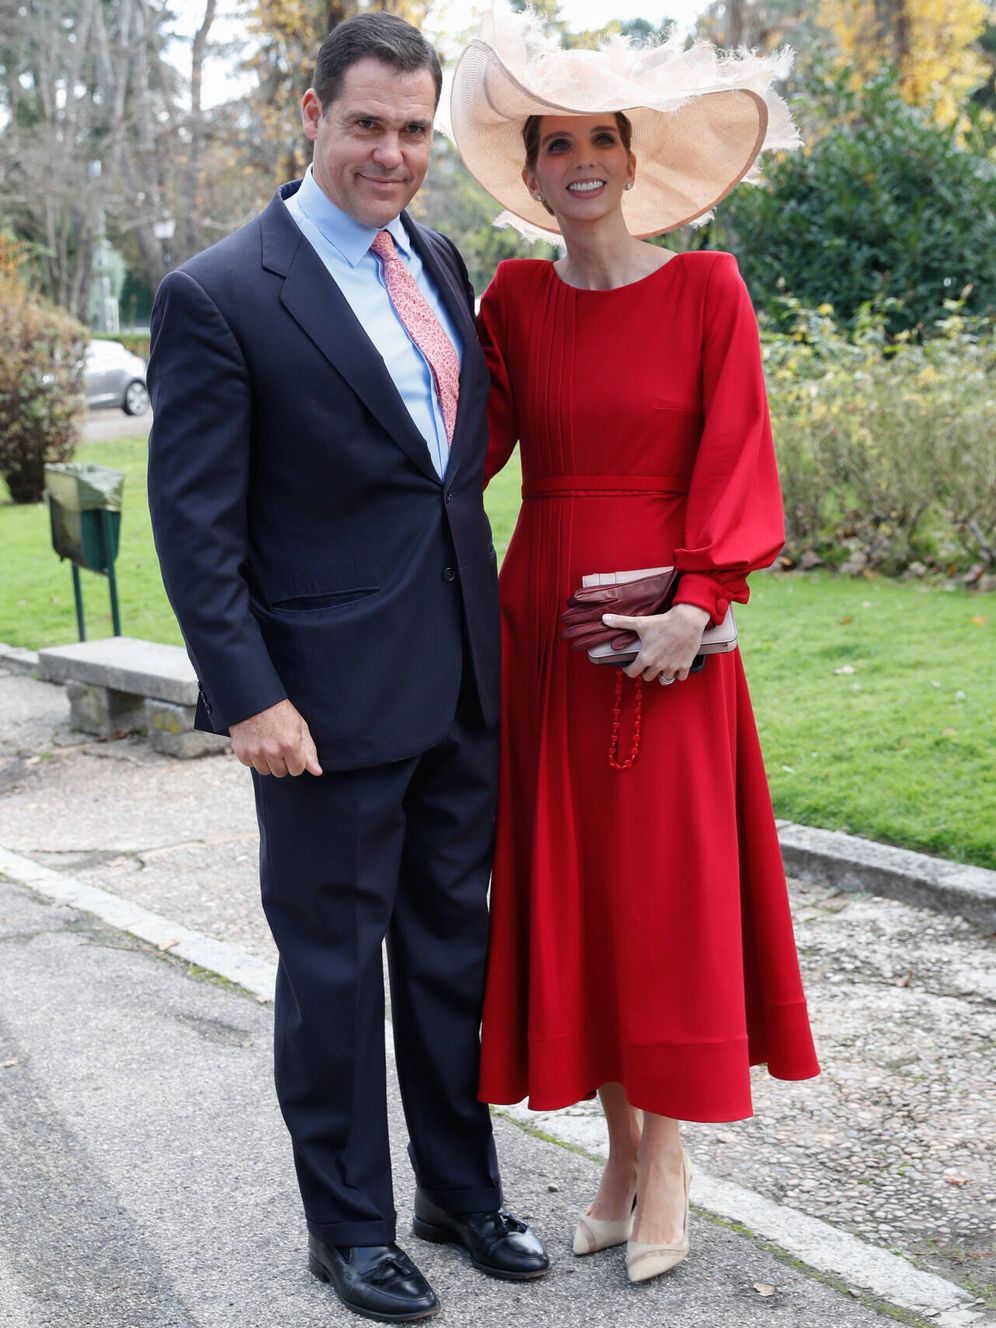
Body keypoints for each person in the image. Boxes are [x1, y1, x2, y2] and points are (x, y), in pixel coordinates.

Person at [147, 13, 548, 1323]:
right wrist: (248, 692)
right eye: (368, 123)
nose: (393, 152)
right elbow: (196, 522)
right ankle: (350, 1228)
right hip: (315, 705)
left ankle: (458, 1191)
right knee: (333, 973)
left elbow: (443, 475)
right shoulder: (220, 292)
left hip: (453, 677)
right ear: (310, 114)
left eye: (415, 129)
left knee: (451, 952)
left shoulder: (436, 255)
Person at [450, 8, 821, 1285]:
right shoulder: (510, 296)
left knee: (662, 903)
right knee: (581, 899)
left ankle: (670, 1163)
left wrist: (700, 604)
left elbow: (742, 462)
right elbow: (464, 454)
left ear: (630, 154)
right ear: (537, 170)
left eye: (603, 137)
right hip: (542, 629)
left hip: (673, 637)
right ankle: (616, 1158)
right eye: (558, 143)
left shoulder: (711, 289)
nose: (583, 161)